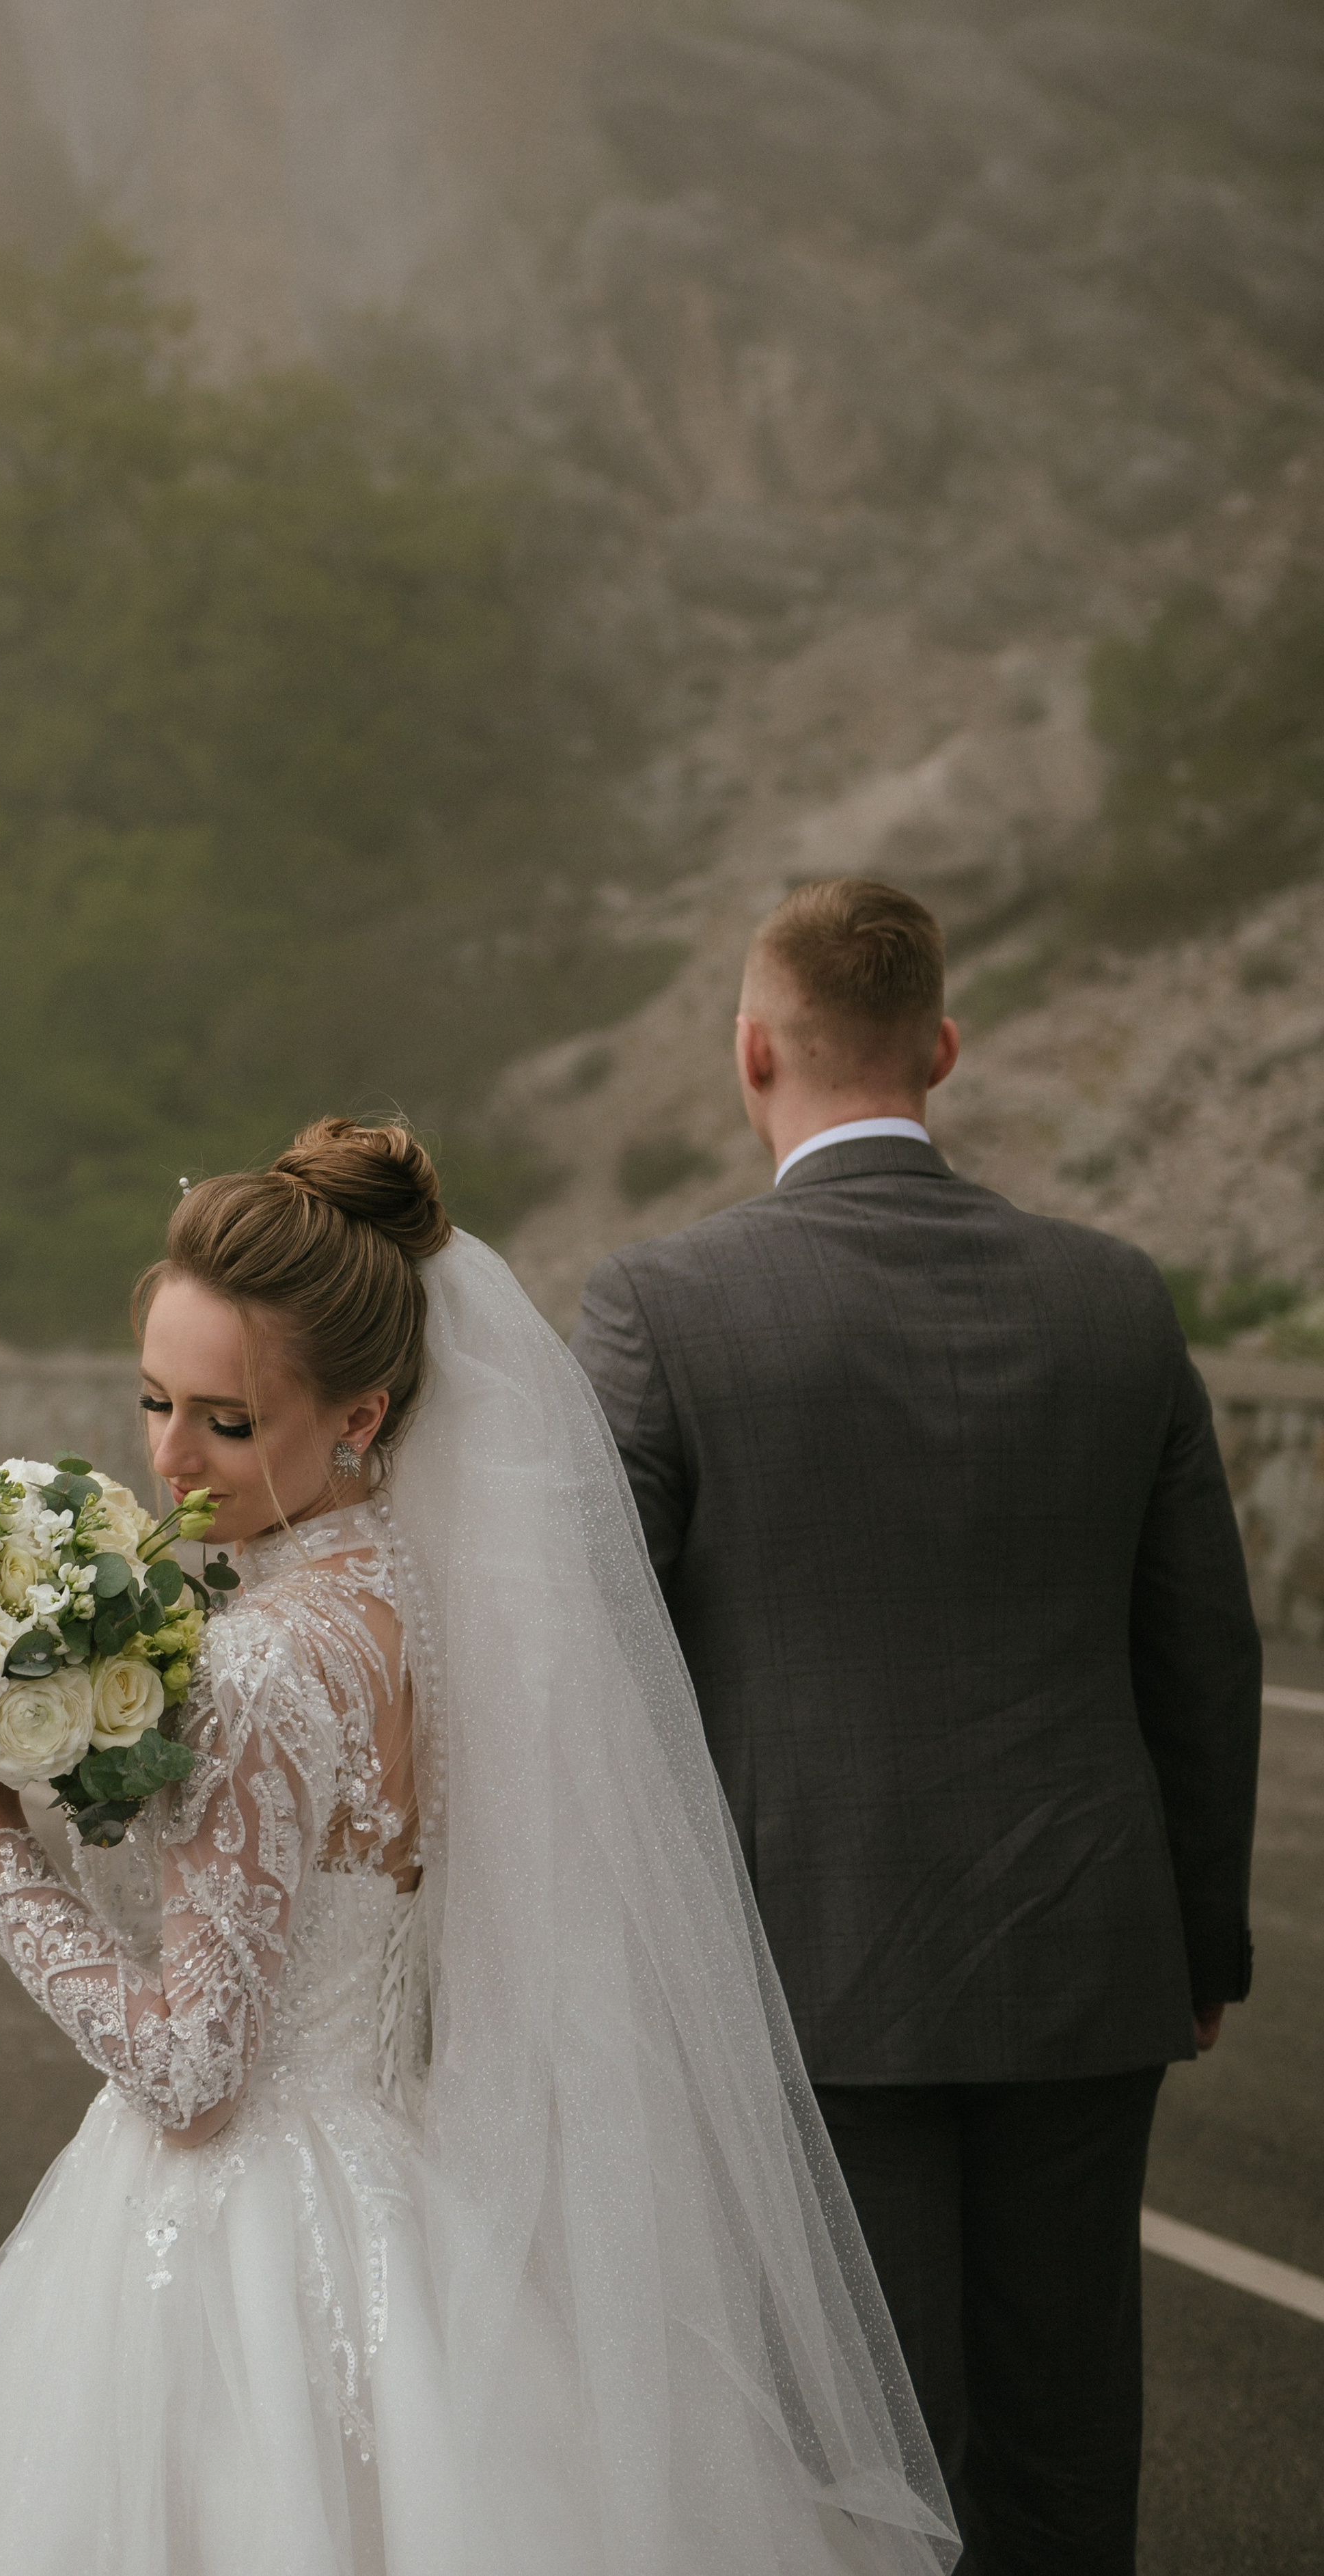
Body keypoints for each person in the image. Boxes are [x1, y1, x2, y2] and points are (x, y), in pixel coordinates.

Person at [0, 1117, 958, 2576]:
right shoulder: (423, 1600)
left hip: (242, 2239)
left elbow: (193, 2076)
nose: (168, 1456)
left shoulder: (252, 1664)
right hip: (396, 2190)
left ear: (358, 1414)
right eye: (154, 1399)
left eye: (228, 1422)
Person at [572, 879, 1263, 2576]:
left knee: (860, 2466)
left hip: (804, 1968)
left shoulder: (660, 1306)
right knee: (1062, 2442)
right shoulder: (1115, 1296)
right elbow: (1199, 1649)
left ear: (751, 1052)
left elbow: (597, 1662)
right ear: (941, 1047)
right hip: (1087, 1961)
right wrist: (1200, 1937)